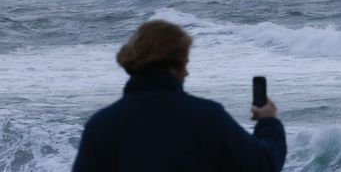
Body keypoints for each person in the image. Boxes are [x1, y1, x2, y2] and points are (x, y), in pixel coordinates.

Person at [72, 20, 286, 172]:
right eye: (185, 63)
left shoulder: (102, 125)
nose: (187, 73)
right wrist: (267, 122)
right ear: (174, 66)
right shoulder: (208, 117)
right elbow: (263, 165)